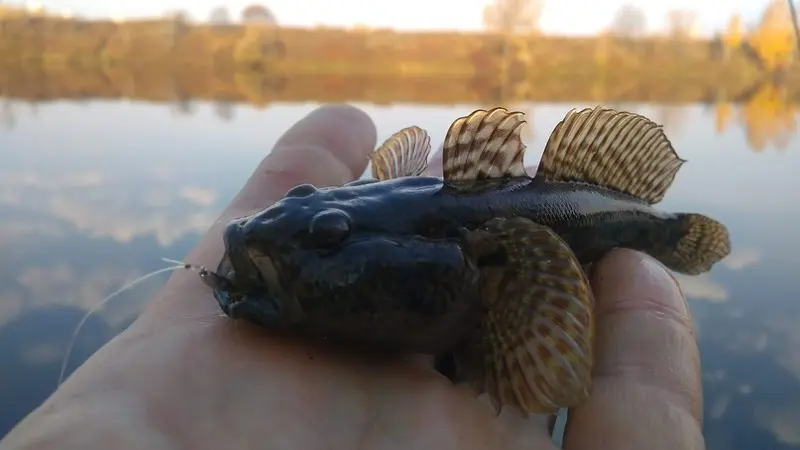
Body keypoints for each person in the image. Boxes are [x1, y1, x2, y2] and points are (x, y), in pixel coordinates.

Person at [0, 105, 704, 450]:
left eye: (328, 238)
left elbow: (537, 342)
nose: (239, 248)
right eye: (317, 222)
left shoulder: (497, 257)